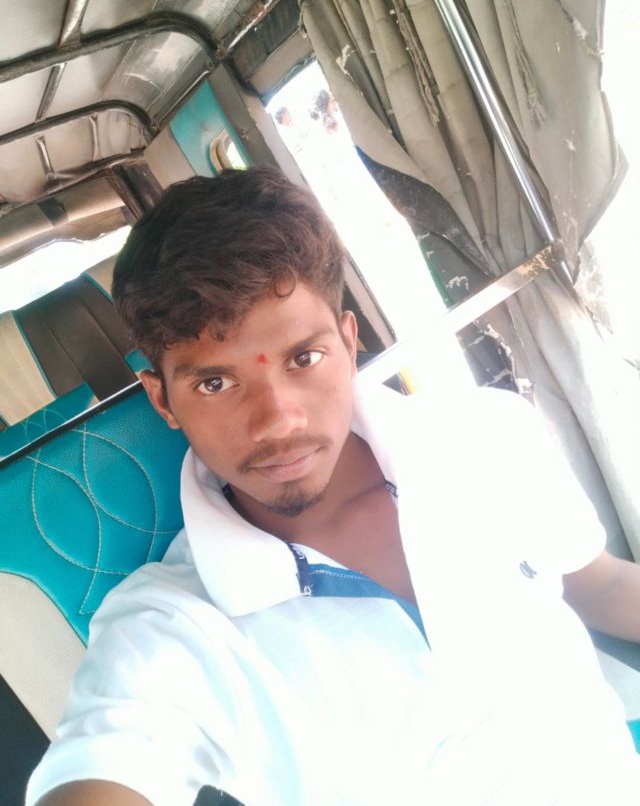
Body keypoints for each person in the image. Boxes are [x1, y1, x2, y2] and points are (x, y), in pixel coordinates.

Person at [27, 167, 640, 805]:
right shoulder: (171, 628)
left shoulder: (488, 435)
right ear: (163, 401)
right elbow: (109, 763)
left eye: (304, 358)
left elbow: (599, 586)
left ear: (349, 344)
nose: (277, 421)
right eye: (215, 382)